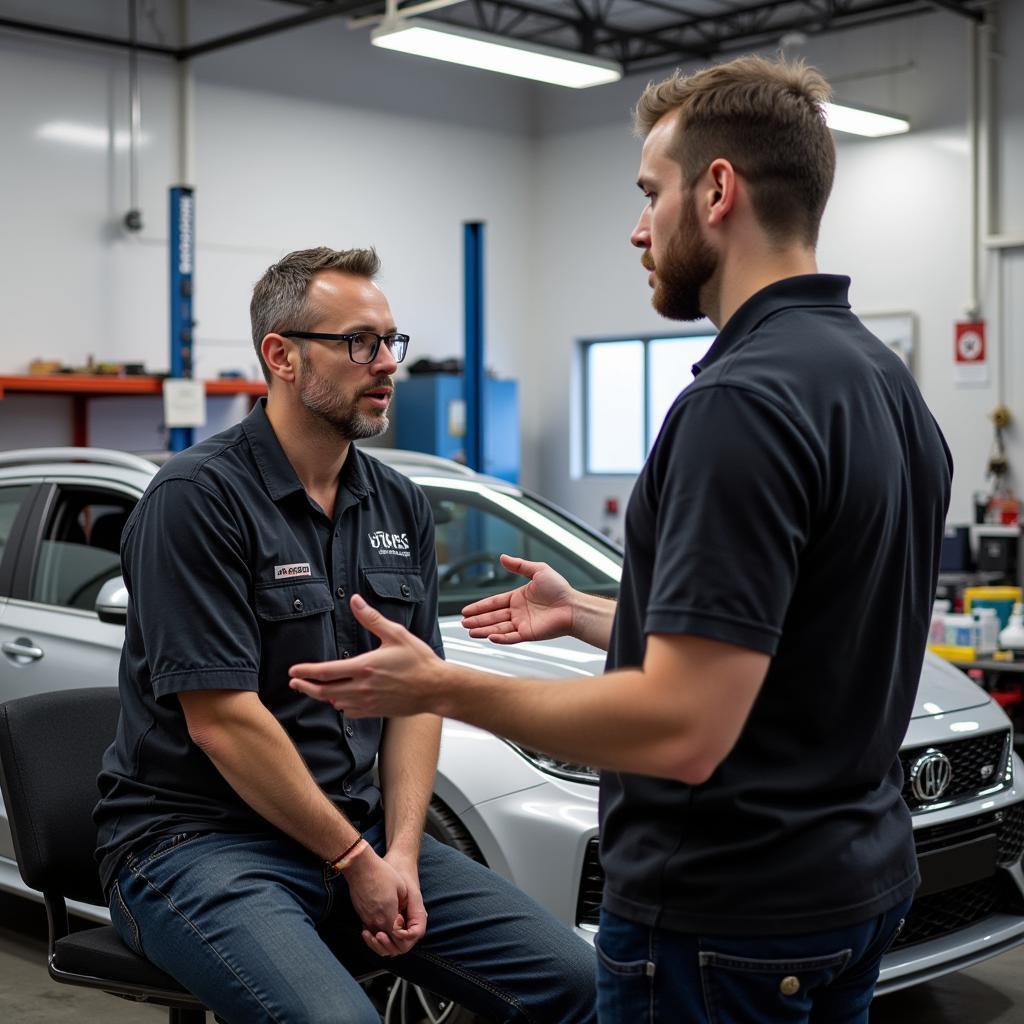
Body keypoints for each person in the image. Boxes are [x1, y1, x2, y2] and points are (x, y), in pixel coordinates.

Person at [288, 57, 954, 1023]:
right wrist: (601, 616)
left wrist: (441, 686)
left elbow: (683, 731)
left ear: (717, 190)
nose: (638, 230)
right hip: (848, 891)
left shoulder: (741, 403)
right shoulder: (881, 383)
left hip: (724, 920)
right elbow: (801, 638)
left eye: (651, 194)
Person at [93, 246, 597, 1024]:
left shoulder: (398, 503)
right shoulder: (196, 499)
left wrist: (397, 851)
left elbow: (418, 697)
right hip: (196, 846)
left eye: (391, 342)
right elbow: (223, 720)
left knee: (585, 983)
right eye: (359, 342)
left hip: (355, 837)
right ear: (282, 356)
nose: (387, 364)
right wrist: (355, 859)